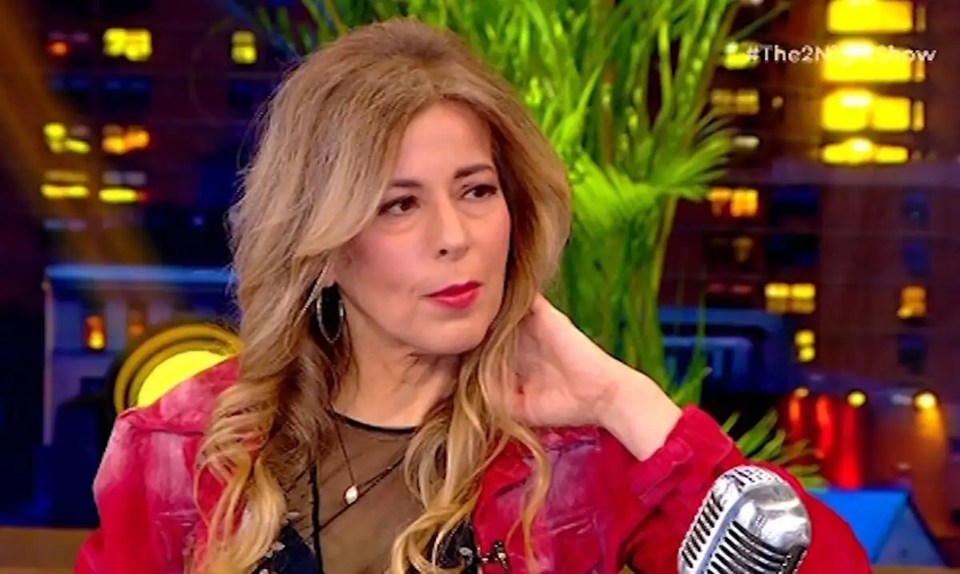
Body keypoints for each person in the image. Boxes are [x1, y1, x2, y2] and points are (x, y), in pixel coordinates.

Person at [75, 19, 871, 574]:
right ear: (324, 246)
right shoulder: (181, 449)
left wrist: (624, 401)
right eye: (400, 204)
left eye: (477, 191)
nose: (454, 236)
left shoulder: (575, 450)